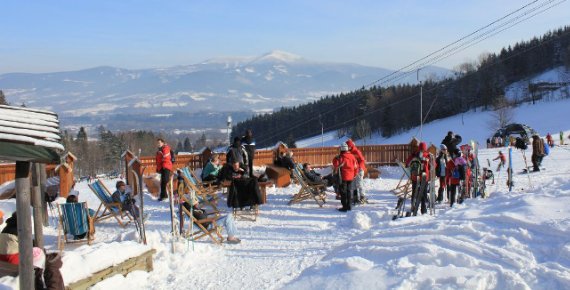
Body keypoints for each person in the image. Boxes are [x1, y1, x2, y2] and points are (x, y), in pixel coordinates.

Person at [405, 141, 431, 215]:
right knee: (423, 193)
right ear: (425, 148)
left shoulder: (414, 155)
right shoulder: (428, 156)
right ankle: (424, 210)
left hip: (415, 177)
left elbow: (407, 164)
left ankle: (413, 207)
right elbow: (433, 166)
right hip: (424, 177)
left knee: (414, 192)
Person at [333, 142, 358, 212]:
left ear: (341, 149)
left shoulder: (340, 157)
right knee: (349, 191)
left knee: (343, 192)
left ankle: (345, 207)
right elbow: (356, 167)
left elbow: (335, 165)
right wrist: (354, 174)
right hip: (351, 177)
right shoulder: (352, 156)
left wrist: (335, 158)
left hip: (343, 177)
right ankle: (349, 206)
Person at [346, 139, 368, 204]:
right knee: (353, 184)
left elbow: (362, 160)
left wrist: (359, 167)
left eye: (348, 146)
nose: (348, 148)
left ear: (351, 146)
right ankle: (355, 198)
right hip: (352, 171)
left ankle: (362, 197)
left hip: (359, 170)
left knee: (359, 184)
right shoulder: (348, 152)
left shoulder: (356, 151)